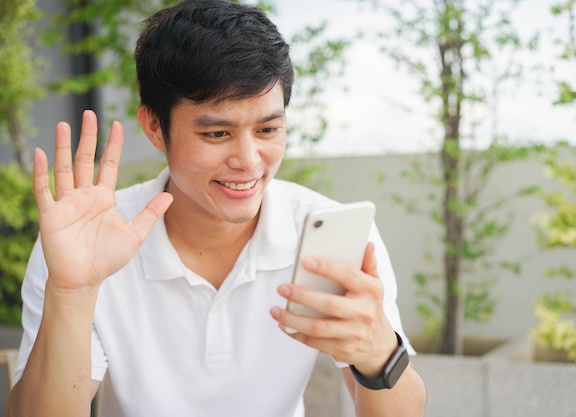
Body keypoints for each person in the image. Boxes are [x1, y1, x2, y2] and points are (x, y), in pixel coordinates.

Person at [6, 1, 426, 416]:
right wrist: (73, 292)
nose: (248, 159)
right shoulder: (90, 240)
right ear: (154, 125)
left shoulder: (328, 235)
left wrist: (379, 353)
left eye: (268, 129)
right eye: (217, 133)